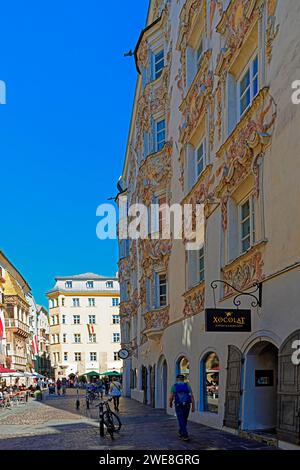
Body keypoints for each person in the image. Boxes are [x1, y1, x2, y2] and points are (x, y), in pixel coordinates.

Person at [169, 374, 195, 441]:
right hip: (187, 405)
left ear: (177, 379)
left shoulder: (174, 386)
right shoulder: (187, 386)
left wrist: (170, 403)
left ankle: (185, 435)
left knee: (181, 419)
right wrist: (193, 407)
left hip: (178, 405)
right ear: (183, 379)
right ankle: (181, 432)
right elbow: (192, 396)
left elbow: (171, 397)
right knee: (185, 419)